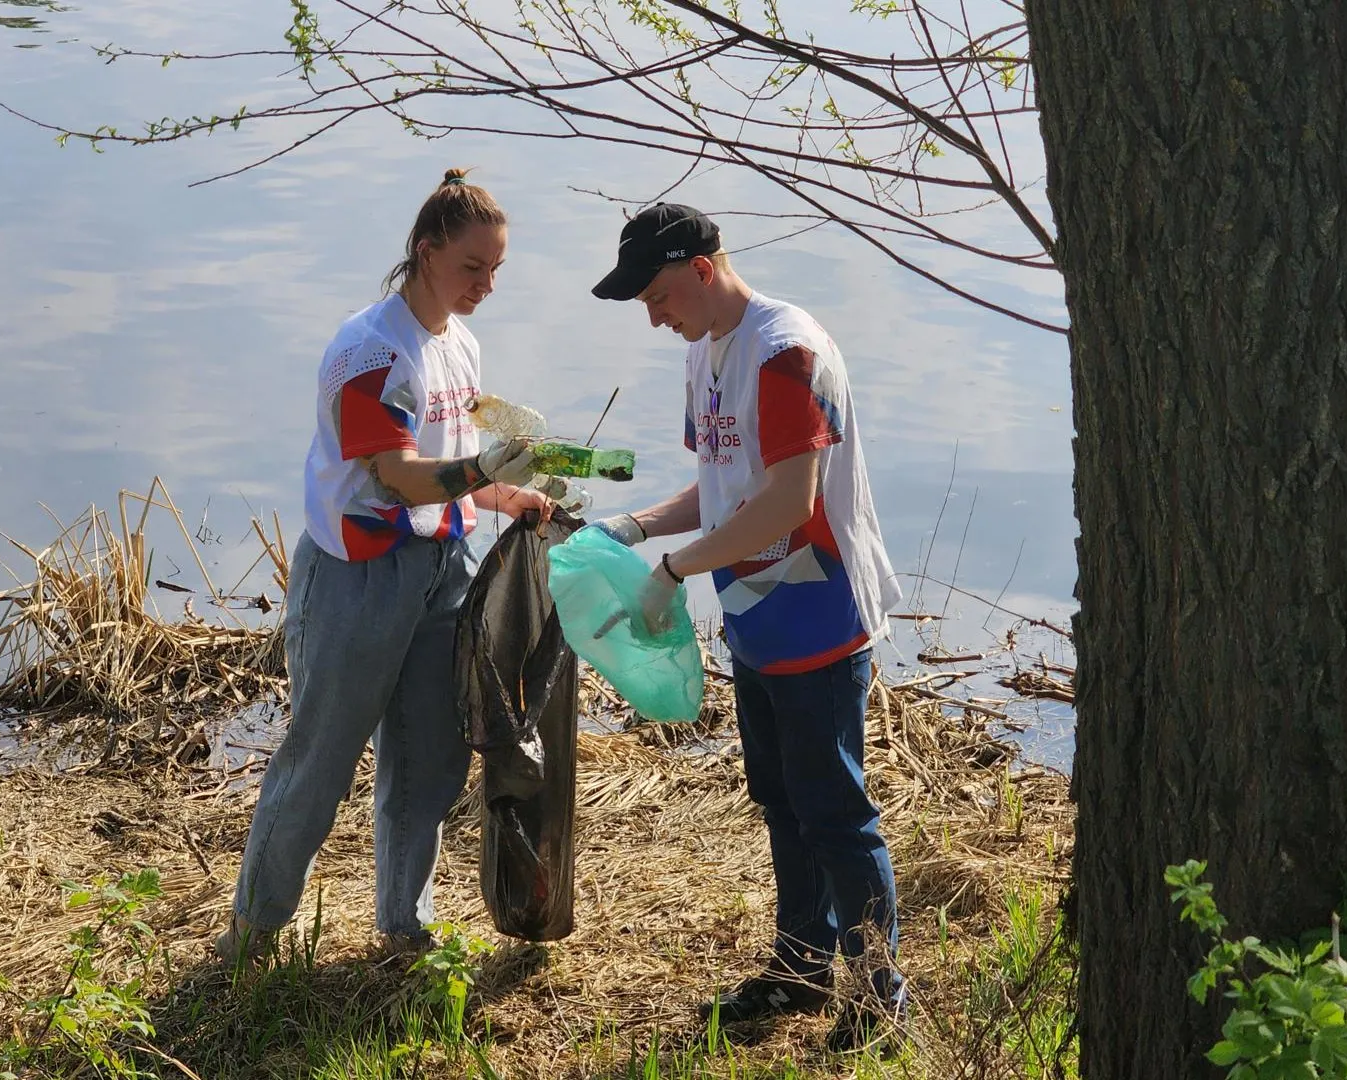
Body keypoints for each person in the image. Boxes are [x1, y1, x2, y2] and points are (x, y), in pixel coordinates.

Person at [588, 203, 906, 1052]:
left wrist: (672, 570)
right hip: (754, 617)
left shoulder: (783, 349)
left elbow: (786, 502)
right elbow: (722, 485)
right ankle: (801, 968)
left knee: (835, 810)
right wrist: (640, 526)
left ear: (699, 268)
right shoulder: (707, 350)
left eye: (656, 295)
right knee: (781, 801)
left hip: (818, 609)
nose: (653, 317)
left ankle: (879, 1000)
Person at [216, 169, 552, 961]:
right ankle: (254, 930)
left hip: (443, 566)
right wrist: (481, 473)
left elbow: (456, 457)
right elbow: (395, 476)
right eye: (474, 268)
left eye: (497, 269)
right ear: (426, 251)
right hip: (359, 575)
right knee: (322, 759)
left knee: (431, 755)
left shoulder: (459, 343)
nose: (487, 286)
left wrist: (511, 496)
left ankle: (405, 924)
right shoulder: (368, 352)